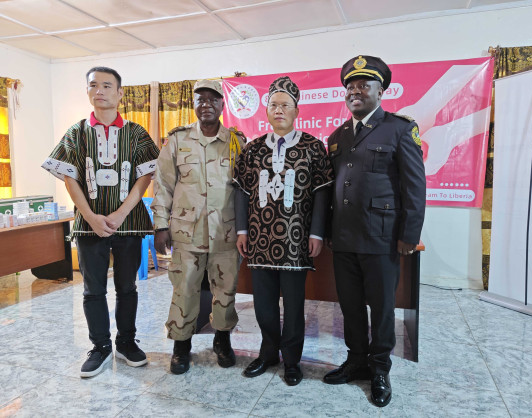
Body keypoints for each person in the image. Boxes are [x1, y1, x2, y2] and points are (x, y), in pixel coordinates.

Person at [41, 66, 160, 378]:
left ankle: (126, 342)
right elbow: (69, 178)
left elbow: (145, 176)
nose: (100, 91)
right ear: (88, 91)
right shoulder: (76, 132)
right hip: (88, 224)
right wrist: (91, 217)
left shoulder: (137, 133)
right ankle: (100, 346)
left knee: (127, 287)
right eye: (94, 85)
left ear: (120, 93)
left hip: (130, 222)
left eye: (108, 86)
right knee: (93, 289)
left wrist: (121, 213)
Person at [323, 55, 426, 407]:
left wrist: (409, 235)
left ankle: (379, 368)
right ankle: (356, 361)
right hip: (344, 237)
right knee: (350, 306)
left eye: (363, 85)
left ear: (380, 91)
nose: (356, 91)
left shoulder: (399, 129)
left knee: (381, 308)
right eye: (350, 87)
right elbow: (332, 189)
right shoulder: (336, 136)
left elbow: (414, 186)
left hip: (382, 237)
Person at [233, 76, 333, 386]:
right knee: (262, 305)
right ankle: (267, 354)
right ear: (266, 110)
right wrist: (241, 230)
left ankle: (291, 361)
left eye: (285, 105)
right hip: (260, 240)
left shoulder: (312, 147)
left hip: (296, 242)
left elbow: (322, 192)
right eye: (273, 104)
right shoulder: (252, 149)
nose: (279, 110)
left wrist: (316, 233)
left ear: (296, 111)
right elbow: (241, 192)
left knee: (293, 305)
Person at [151, 79, 245, 375]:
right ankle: (181, 346)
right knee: (184, 289)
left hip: (225, 233)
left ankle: (222, 340)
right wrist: (160, 225)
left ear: (221, 105)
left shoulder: (236, 142)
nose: (205, 104)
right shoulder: (178, 140)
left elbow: (245, 188)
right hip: (186, 233)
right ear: (194, 105)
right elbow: (163, 185)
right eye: (200, 100)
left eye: (212, 99)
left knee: (225, 290)